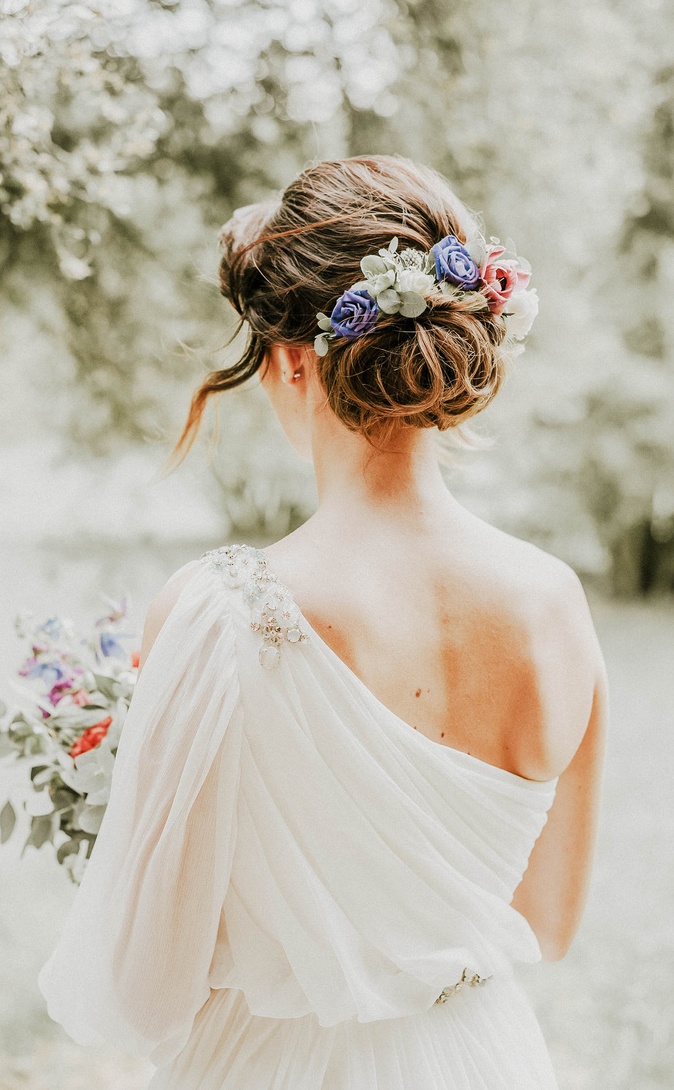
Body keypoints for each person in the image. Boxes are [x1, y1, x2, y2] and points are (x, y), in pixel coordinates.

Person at [38, 156, 607, 1089]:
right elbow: (547, 926)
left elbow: (146, 986)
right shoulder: (554, 603)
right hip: (483, 1056)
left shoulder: (214, 612)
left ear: (291, 359)